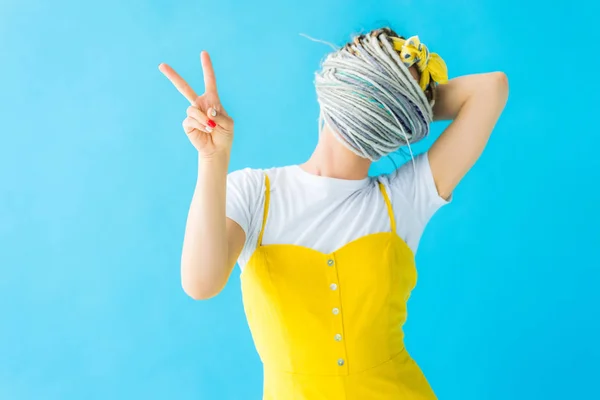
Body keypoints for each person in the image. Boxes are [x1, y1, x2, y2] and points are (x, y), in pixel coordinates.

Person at [159, 27, 508, 399]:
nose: (371, 94)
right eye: (365, 77)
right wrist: (212, 158)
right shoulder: (254, 193)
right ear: (335, 79)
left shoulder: (404, 199)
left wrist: (403, 104)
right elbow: (201, 283)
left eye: (384, 92)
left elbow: (491, 89)